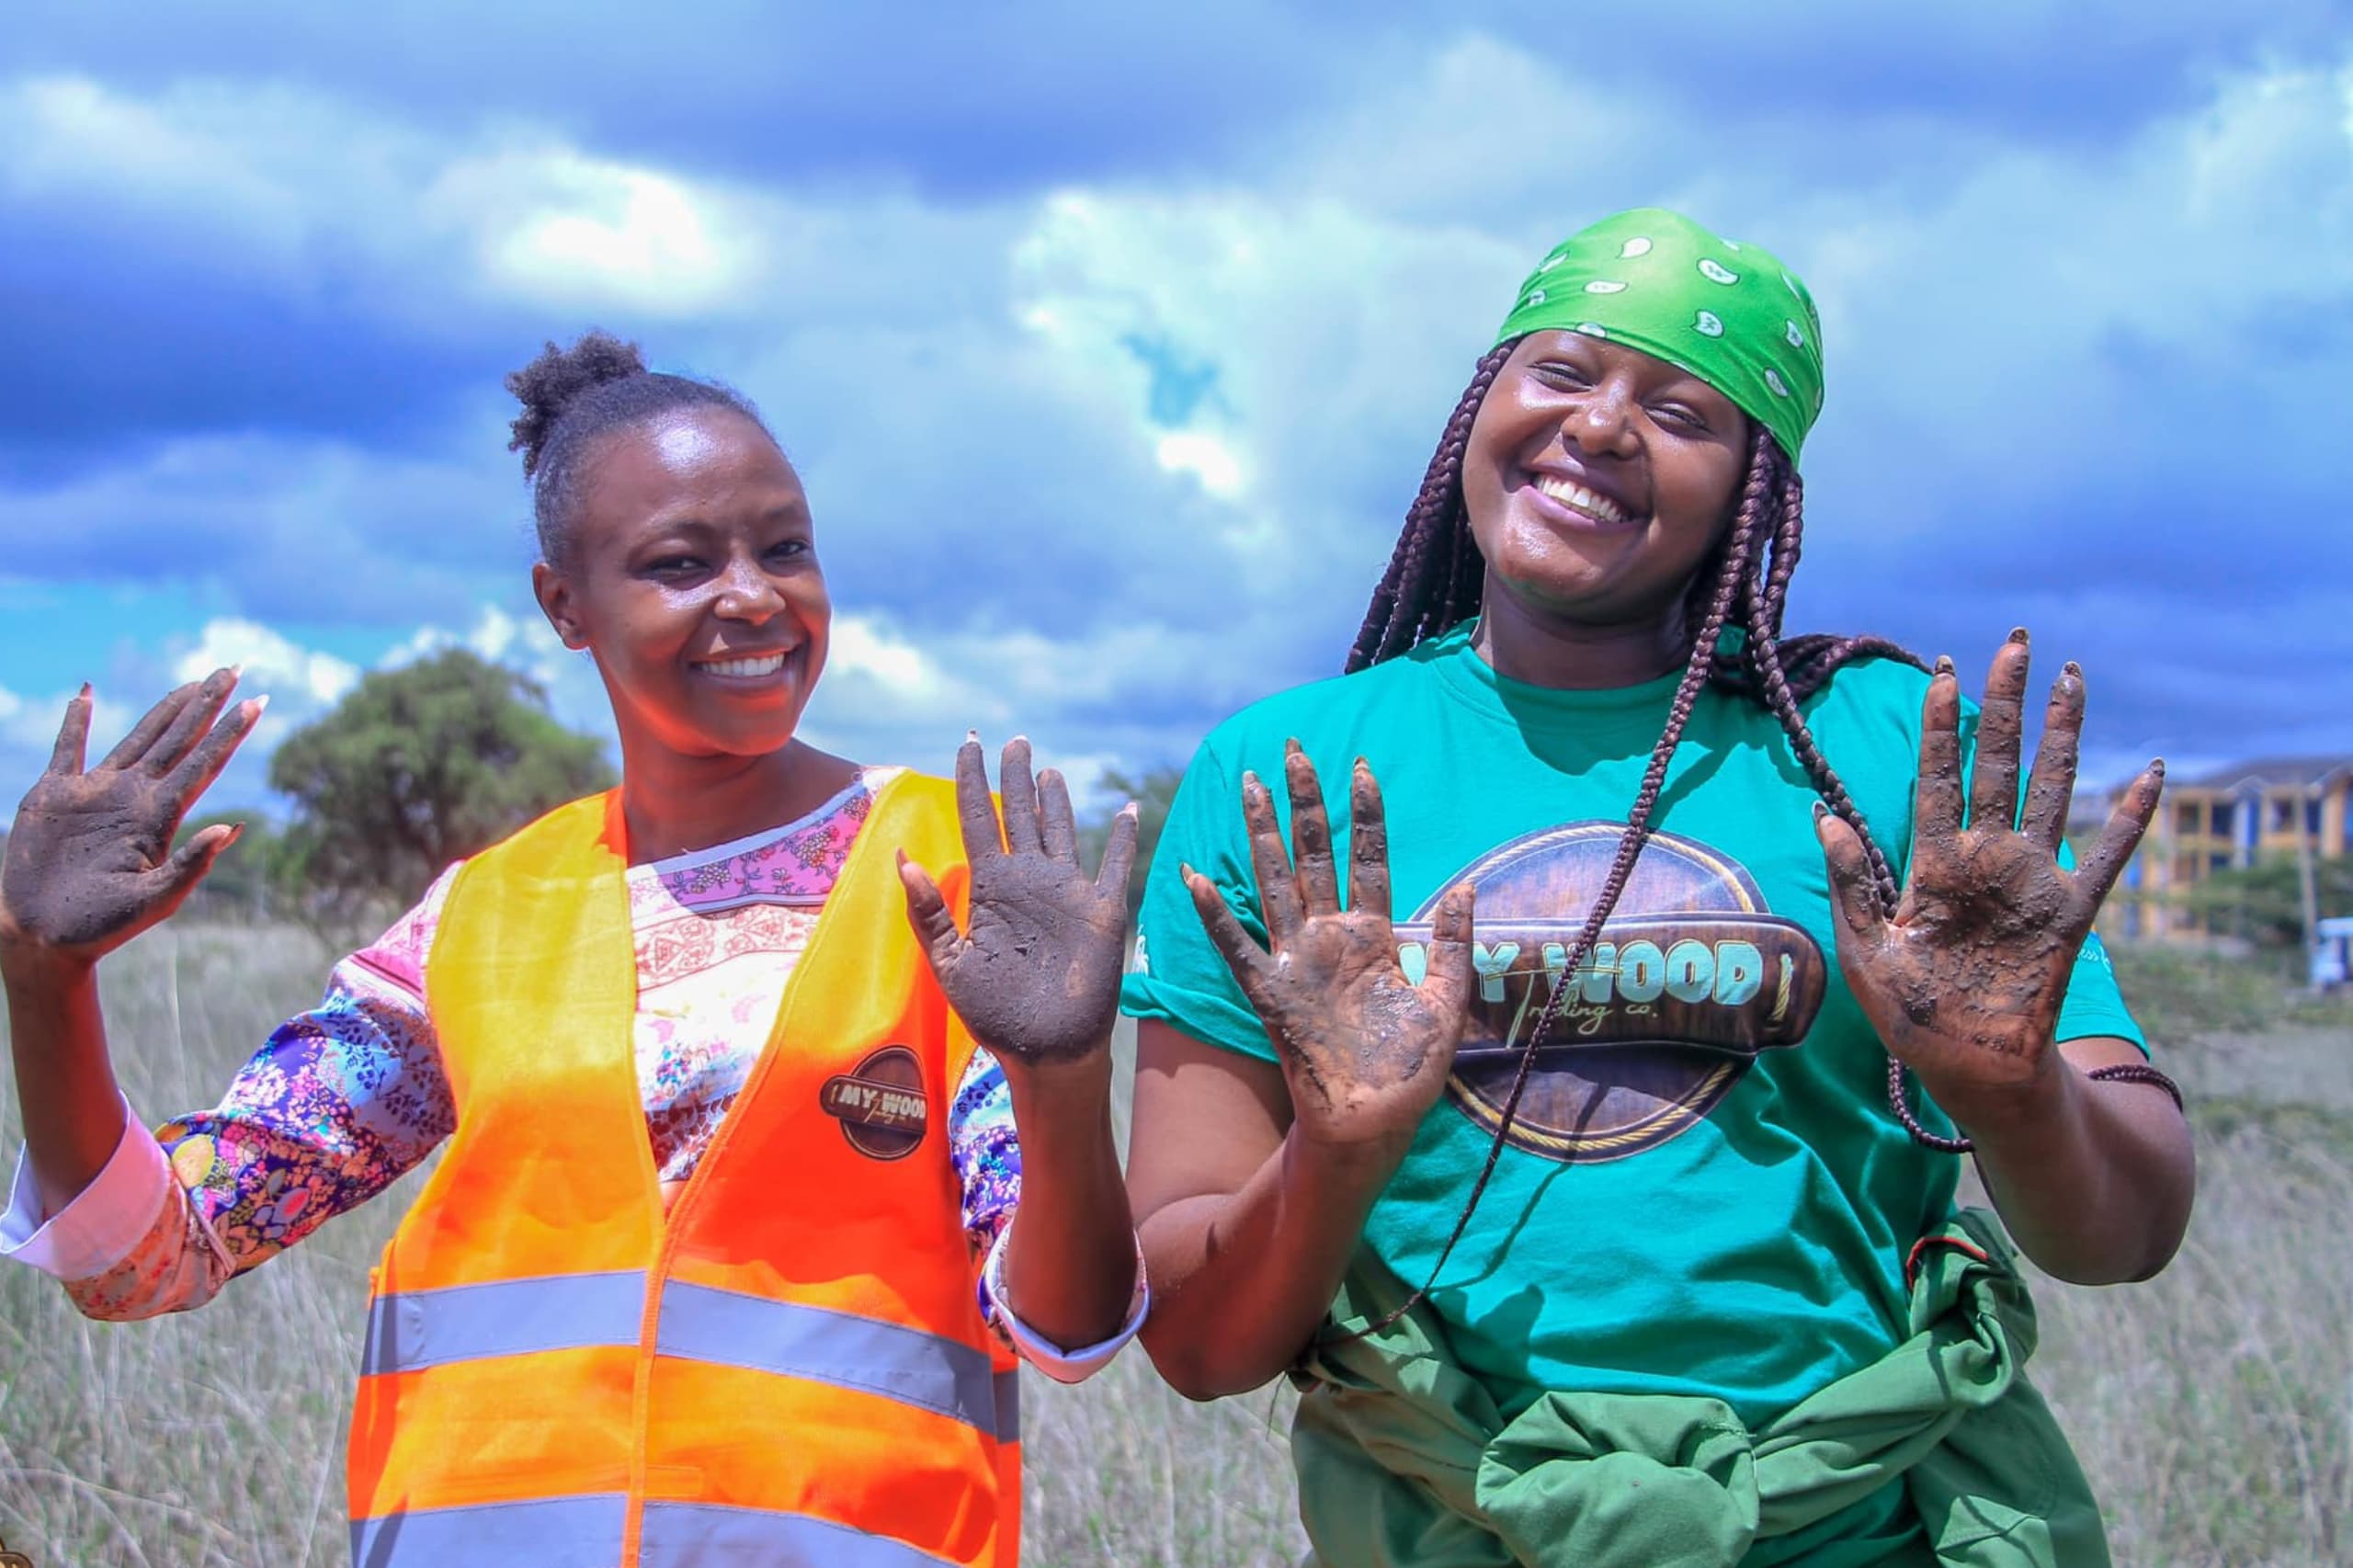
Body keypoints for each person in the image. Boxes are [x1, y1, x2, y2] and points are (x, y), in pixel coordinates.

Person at [1121, 209, 2193, 1567]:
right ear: (1482, 405)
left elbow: (2130, 1233)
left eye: (1685, 409)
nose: (1607, 424)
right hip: (1453, 1525)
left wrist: (2005, 1082)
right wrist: (1339, 1144)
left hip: (1860, 1530)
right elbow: (1200, 1341)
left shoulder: (1867, 752)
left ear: (1758, 491)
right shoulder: (1288, 774)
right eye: (1563, 373)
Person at [0, 333, 1144, 1567]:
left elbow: (1065, 1330)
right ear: (565, 605)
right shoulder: (487, 916)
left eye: (788, 547)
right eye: (680, 562)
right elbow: (152, 1257)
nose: (755, 594)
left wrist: (1065, 1080)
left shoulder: (946, 876)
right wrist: (41, 975)